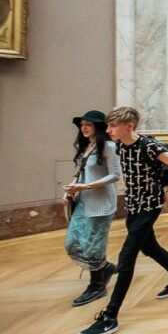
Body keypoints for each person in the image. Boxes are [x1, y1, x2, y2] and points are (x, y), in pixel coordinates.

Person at [77, 107, 168, 334]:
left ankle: (110, 316)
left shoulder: (149, 146)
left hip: (149, 207)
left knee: (127, 257)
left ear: (129, 127)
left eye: (112, 126)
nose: (108, 130)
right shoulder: (119, 145)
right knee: (148, 247)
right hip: (133, 206)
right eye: (107, 126)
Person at [63, 110, 121, 306]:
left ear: (98, 126)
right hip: (83, 200)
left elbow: (115, 175)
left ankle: (97, 285)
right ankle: (104, 268)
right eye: (82, 125)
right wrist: (71, 189)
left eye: (88, 124)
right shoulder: (87, 146)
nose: (84, 128)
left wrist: (85, 186)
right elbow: (81, 172)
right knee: (72, 243)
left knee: (93, 245)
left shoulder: (109, 146)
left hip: (101, 203)